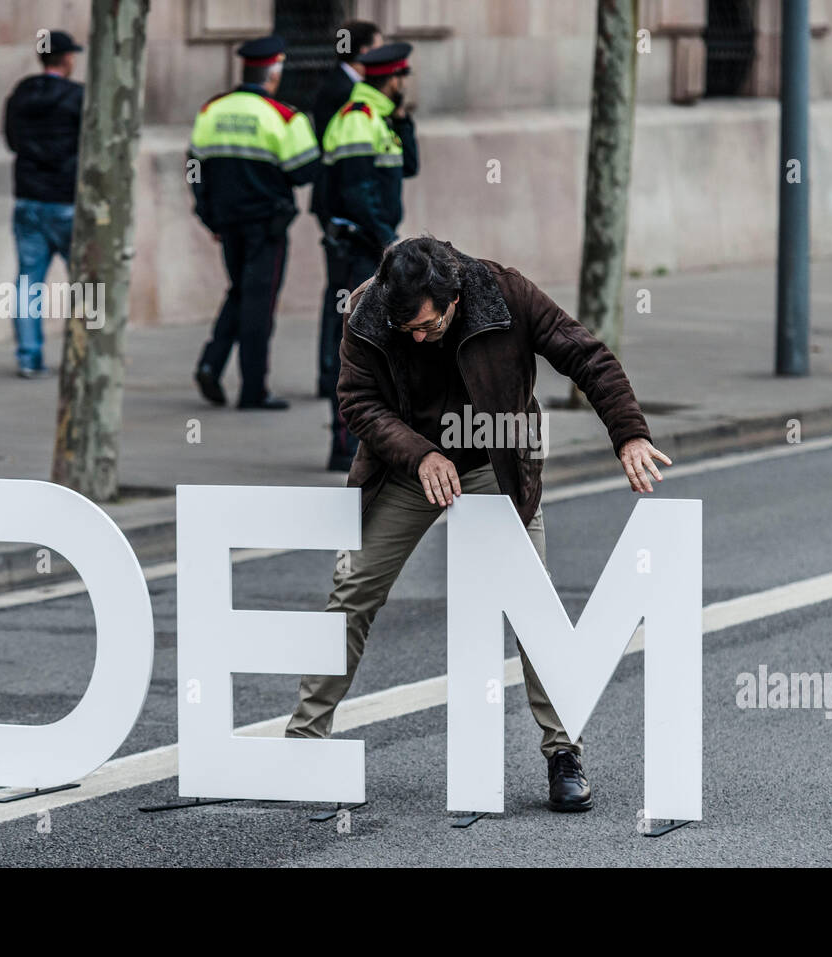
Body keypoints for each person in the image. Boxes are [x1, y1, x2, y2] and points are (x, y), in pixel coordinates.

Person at [284, 237, 672, 813]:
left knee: (534, 607)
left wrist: (629, 432)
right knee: (354, 588)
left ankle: (564, 754)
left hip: (495, 463)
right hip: (408, 466)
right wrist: (419, 454)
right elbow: (357, 402)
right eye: (406, 328)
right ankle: (302, 745)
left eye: (428, 327)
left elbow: (585, 355)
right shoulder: (369, 310)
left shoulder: (505, 292)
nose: (417, 337)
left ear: (455, 299)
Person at [189, 35, 321, 410]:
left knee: (241, 292)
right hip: (266, 225)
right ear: (273, 73)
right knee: (259, 304)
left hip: (226, 222)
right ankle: (253, 390)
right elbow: (305, 171)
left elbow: (194, 167)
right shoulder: (284, 116)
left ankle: (212, 364)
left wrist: (206, 213)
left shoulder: (210, 110)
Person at [319, 41, 419, 469]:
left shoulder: (380, 118)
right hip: (360, 249)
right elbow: (357, 192)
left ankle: (364, 442)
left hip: (373, 249)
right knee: (351, 343)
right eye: (402, 79)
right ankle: (342, 446)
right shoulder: (358, 121)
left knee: (377, 344)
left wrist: (405, 120)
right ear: (392, 79)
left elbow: (410, 166)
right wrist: (387, 240)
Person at [2, 29, 84, 379]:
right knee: (86, 281)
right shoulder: (78, 97)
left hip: (29, 199)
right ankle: (84, 353)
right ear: (66, 59)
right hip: (66, 200)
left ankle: (28, 357)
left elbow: (12, 141)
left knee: (27, 281)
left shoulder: (20, 94)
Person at [311, 20, 383, 400]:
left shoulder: (336, 85)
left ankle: (332, 370)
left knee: (342, 295)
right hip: (343, 211)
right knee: (346, 297)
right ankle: (334, 372)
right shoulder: (348, 92)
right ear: (365, 52)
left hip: (337, 206)